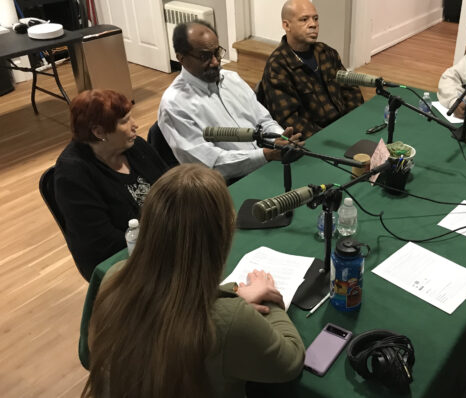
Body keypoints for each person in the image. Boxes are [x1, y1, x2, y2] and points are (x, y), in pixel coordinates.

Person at [81, 164, 305, 398]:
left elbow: (173, 300)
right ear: (223, 235)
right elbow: (290, 360)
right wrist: (271, 298)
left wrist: (233, 293)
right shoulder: (229, 321)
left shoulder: (114, 275)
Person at [159, 21, 303, 182]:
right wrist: (266, 155)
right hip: (230, 183)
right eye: (204, 56)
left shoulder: (231, 79)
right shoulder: (174, 105)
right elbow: (211, 165)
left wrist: (282, 139)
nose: (215, 62)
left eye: (217, 52)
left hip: (268, 162)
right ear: (181, 58)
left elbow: (264, 121)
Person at [54, 89, 168, 281]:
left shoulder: (135, 146)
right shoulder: (73, 174)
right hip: (123, 261)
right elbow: (103, 244)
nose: (135, 126)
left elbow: (171, 184)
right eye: (125, 121)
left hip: (163, 238)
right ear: (99, 132)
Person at [258, 0, 364, 137]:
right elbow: (290, 121)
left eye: (315, 18)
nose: (313, 24)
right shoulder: (277, 67)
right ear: (286, 25)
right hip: (318, 139)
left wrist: (352, 122)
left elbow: (351, 90)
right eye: (304, 19)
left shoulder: (327, 52)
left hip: (345, 127)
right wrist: (330, 136)